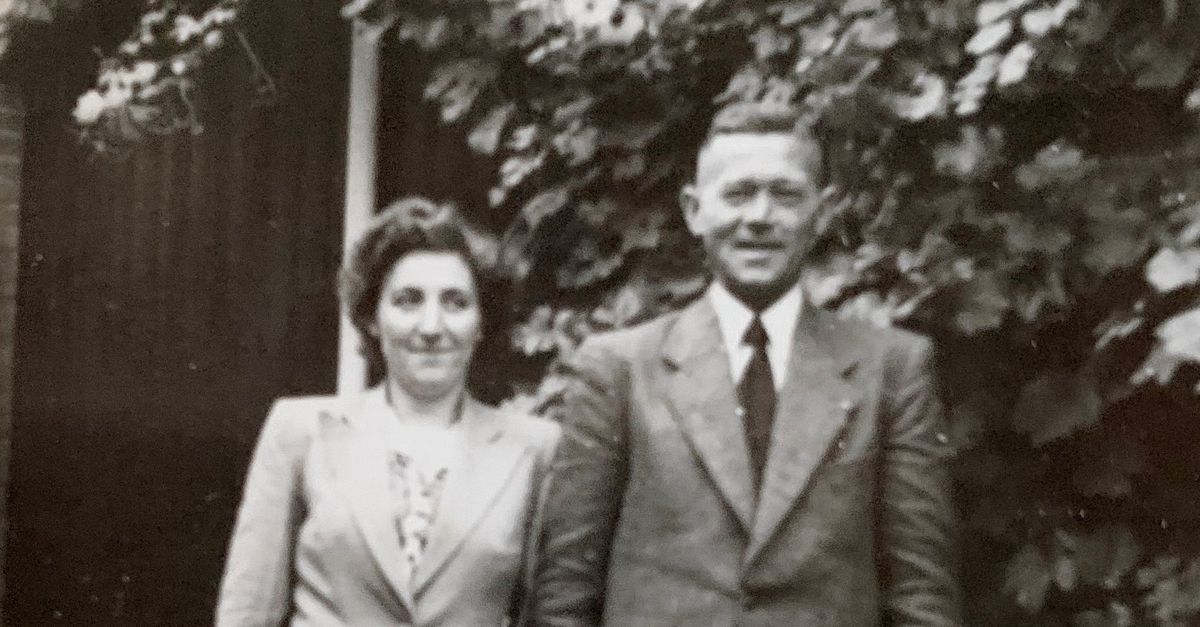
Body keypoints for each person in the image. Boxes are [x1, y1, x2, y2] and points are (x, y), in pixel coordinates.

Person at [531, 103, 962, 626]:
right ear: (694, 210)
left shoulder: (891, 368)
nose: (759, 217)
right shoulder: (619, 368)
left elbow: (921, 594)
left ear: (822, 212)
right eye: (737, 193)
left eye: (785, 195)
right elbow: (566, 593)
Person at [216, 198, 560, 626]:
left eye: (455, 302)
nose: (431, 327)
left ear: (482, 323)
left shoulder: (535, 449)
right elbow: (247, 611)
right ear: (372, 318)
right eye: (407, 301)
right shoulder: (301, 432)